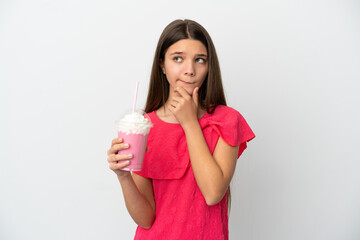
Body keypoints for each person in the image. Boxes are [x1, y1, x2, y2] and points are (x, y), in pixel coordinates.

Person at [107, 19, 255, 240]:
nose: (190, 70)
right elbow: (146, 219)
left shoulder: (226, 121)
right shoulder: (144, 127)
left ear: (209, 66)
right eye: (178, 59)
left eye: (200, 60)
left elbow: (213, 193)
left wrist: (189, 122)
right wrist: (123, 177)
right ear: (162, 65)